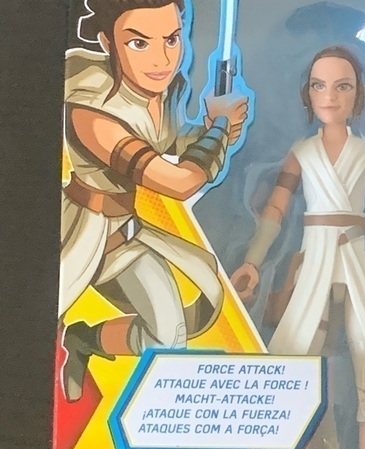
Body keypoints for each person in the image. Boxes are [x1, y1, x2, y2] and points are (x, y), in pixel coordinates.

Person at [231, 46, 365, 449]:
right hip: (313, 265)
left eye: (343, 86)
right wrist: (252, 262)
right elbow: (274, 211)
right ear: (307, 92)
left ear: (360, 94)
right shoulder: (301, 153)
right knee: (297, 372)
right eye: (320, 86)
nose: (330, 96)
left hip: (358, 265)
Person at [60, 0, 249, 402]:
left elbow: (169, 145)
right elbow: (179, 182)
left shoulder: (157, 93)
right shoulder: (90, 110)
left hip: (123, 234)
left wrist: (212, 129)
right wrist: (217, 133)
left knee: (171, 333)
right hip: (79, 235)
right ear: (107, 42)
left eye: (172, 39)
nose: (162, 59)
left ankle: (85, 339)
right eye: (139, 43)